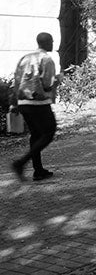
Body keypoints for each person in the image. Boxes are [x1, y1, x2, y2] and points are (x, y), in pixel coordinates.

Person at [10, 33, 58, 182]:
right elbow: (46, 85)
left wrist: (14, 103)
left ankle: (38, 171)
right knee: (49, 132)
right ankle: (21, 163)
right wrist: (57, 82)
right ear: (48, 42)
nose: (53, 43)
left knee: (36, 135)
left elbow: (16, 81)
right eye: (52, 41)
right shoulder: (47, 59)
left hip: (24, 103)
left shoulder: (25, 58)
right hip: (39, 103)